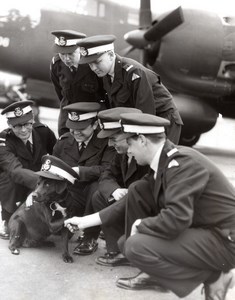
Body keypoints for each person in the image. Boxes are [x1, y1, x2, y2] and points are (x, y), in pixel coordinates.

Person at [65, 112, 235, 300]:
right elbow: (127, 201)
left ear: (143, 140)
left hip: (226, 239)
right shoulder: (166, 162)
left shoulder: (181, 165)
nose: (127, 151)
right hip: (210, 231)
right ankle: (202, 274)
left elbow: (176, 219)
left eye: (129, 144)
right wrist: (84, 221)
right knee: (128, 237)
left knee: (137, 246)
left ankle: (215, 276)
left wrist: (140, 225)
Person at [76, 34, 183, 144]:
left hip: (162, 121)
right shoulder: (106, 74)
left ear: (111, 55)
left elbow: (145, 114)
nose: (94, 68)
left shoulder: (134, 73)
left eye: (97, 62)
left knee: (158, 158)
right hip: (139, 120)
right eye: (90, 64)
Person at [53, 102, 115, 255]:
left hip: (91, 196)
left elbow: (108, 169)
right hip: (69, 194)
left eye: (81, 129)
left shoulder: (107, 142)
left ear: (95, 125)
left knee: (97, 189)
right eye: (72, 128)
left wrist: (80, 171)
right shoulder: (64, 141)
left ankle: (90, 236)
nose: (76, 133)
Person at [90, 107, 149, 266]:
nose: (109, 144)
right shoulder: (121, 154)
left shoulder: (147, 155)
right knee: (100, 196)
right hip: (131, 202)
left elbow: (145, 190)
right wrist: (114, 190)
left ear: (129, 134)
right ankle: (117, 250)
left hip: (147, 208)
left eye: (114, 138)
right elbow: (106, 175)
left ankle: (136, 251)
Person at [0, 100, 56, 239]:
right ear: (9, 125)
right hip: (15, 183)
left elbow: (57, 155)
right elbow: (15, 171)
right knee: (9, 179)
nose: (23, 129)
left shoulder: (43, 132)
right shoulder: (3, 141)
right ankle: (7, 218)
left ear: (32, 120)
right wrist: (44, 183)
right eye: (17, 126)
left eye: (27, 124)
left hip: (36, 180)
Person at [50, 30, 107, 136]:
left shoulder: (93, 64)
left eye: (71, 54)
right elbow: (60, 92)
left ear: (80, 50)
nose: (66, 59)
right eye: (62, 54)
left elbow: (105, 93)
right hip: (68, 116)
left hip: (92, 117)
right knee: (66, 144)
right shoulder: (56, 64)